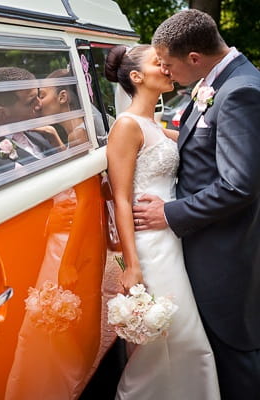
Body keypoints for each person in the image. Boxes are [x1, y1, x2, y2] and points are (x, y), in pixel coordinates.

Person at [132, 9, 260, 400]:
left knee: (236, 354)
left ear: (194, 58)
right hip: (206, 244)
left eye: (169, 64)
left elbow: (239, 185)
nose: (167, 73)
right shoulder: (218, 83)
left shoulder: (240, 91)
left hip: (226, 251)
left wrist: (169, 214)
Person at [104, 44, 220, 399]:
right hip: (149, 246)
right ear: (137, 77)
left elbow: (198, 143)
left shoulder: (152, 123)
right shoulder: (126, 126)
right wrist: (132, 264)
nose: (167, 68)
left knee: (178, 334)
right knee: (176, 333)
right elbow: (122, 199)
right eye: (159, 63)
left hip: (171, 236)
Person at [0, 67, 63, 179]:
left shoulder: (39, 132)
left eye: (38, 96)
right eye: (31, 102)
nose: (39, 104)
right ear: (3, 113)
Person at [39, 68, 89, 147]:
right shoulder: (83, 129)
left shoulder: (77, 136)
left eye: (42, 96)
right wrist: (55, 137)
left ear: (62, 97)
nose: (39, 102)